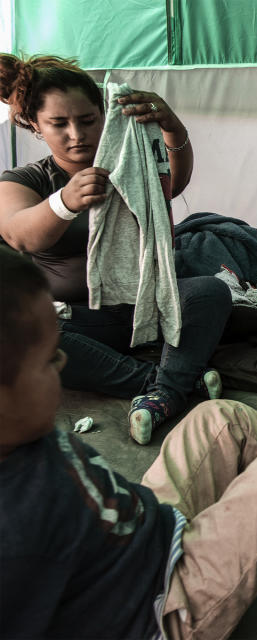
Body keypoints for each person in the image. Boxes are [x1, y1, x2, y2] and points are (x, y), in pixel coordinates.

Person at [0, 246, 257, 638]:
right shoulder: (14, 526)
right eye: (49, 359)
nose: (64, 363)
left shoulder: (20, 433)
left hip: (153, 536)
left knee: (219, 418)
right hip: (161, 610)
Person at [0, 53, 232, 445]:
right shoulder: (26, 179)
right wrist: (64, 202)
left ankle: (164, 388)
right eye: (59, 124)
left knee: (209, 292)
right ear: (36, 126)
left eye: (88, 120)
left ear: (104, 114)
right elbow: (20, 234)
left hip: (148, 305)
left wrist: (172, 129)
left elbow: (170, 186)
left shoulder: (131, 163)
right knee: (24, 332)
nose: (76, 134)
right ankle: (167, 384)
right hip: (79, 321)